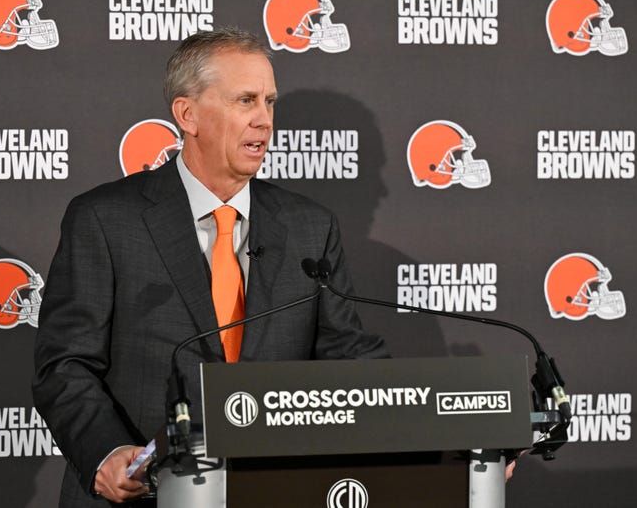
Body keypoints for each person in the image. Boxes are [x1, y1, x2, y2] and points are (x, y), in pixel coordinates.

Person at [32, 28, 388, 507]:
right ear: (188, 114)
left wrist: (429, 414)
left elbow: (347, 357)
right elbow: (65, 364)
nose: (264, 120)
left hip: (269, 492)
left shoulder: (310, 227)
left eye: (269, 102)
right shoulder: (106, 219)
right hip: (145, 495)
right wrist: (108, 453)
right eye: (245, 101)